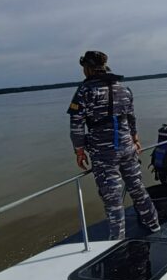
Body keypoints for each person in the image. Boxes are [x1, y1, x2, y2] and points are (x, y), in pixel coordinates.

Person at [67, 50, 160, 240]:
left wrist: (79, 151)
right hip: (127, 147)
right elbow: (131, 119)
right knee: (137, 188)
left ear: (88, 69)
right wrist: (135, 139)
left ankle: (116, 242)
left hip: (103, 153)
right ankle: (154, 225)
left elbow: (76, 124)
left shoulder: (85, 91)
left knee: (113, 198)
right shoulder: (124, 90)